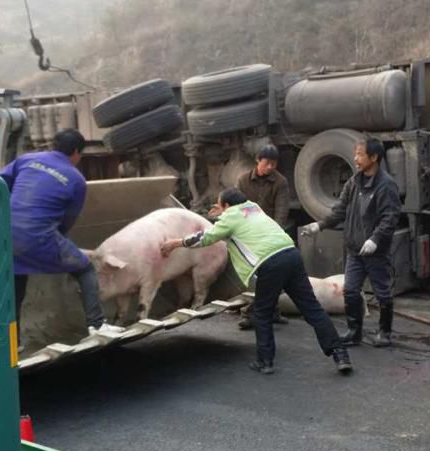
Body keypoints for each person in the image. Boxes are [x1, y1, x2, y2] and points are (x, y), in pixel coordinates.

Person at [161, 188, 352, 376]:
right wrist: (222, 214)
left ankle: (265, 361)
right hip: (291, 255)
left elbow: (206, 237)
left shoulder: (230, 217)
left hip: (270, 263)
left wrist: (175, 243)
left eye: (220, 205)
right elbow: (237, 223)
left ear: (226, 206)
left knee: (261, 313)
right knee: (312, 309)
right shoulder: (253, 208)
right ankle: (340, 354)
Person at [0, 129, 120, 342]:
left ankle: (13, 344)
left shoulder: (26, 160)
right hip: (38, 237)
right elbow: (67, 220)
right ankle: (97, 325)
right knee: (84, 268)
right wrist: (59, 245)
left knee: (16, 289)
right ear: (76, 152)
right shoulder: (75, 179)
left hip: (4, 235)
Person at [301, 137, 401, 347]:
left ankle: (385, 333)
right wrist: (319, 225)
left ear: (374, 157)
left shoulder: (386, 186)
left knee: (382, 293)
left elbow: (389, 218)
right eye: (355, 154)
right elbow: (340, 211)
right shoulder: (354, 182)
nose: (355, 158)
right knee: (351, 291)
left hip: (376, 252)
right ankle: (354, 332)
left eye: (360, 154)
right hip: (355, 250)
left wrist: (375, 239)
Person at [235, 143, 290, 328]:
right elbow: (238, 208)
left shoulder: (280, 182)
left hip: (270, 234)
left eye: (274, 163)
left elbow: (282, 211)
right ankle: (250, 313)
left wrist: (273, 234)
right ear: (258, 160)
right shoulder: (243, 181)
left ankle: (272, 311)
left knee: (276, 274)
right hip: (249, 234)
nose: (271, 167)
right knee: (255, 277)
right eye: (267, 163)